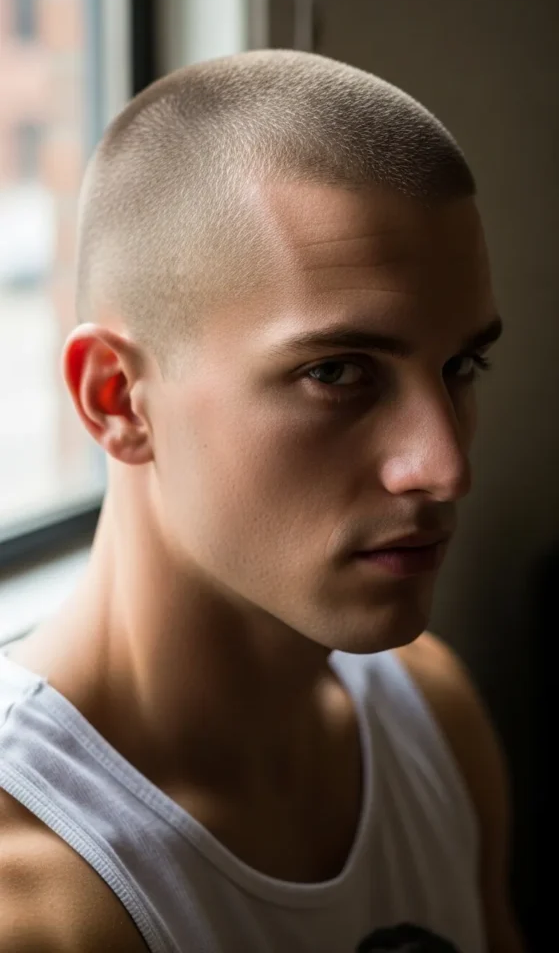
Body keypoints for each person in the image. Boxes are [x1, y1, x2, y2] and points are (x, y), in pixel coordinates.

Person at [0, 50, 524, 953]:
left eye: (460, 366)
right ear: (117, 400)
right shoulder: (36, 903)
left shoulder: (426, 709)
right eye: (337, 372)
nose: (442, 468)